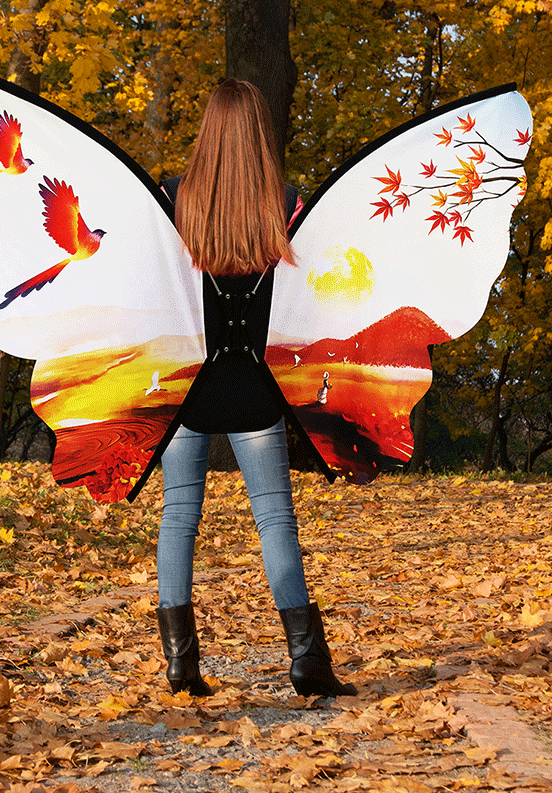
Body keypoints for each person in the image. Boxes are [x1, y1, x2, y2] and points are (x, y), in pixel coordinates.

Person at [155, 79, 355, 699]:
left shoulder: (167, 203)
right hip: (256, 391)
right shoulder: (291, 207)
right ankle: (307, 663)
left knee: (178, 519)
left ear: (208, 132)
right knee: (275, 523)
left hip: (185, 386)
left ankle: (181, 665)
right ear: (260, 137)